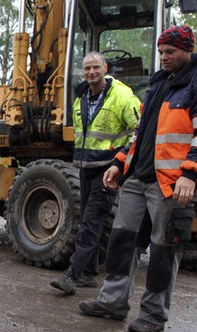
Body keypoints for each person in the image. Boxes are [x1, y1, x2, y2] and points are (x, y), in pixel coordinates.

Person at [78, 26, 197, 332]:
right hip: (138, 177)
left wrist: (190, 175)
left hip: (173, 184)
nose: (163, 57)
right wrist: (121, 163)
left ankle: (153, 313)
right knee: (123, 241)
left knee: (164, 249)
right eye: (161, 51)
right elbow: (141, 133)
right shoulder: (160, 83)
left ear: (188, 51)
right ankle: (113, 302)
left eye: (170, 52)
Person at [50, 52, 141, 295]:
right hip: (85, 169)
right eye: (87, 68)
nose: (91, 72)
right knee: (87, 222)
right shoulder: (81, 97)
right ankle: (88, 273)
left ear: (105, 68)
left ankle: (73, 275)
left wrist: (120, 165)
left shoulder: (122, 96)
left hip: (107, 169)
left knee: (90, 223)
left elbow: (138, 133)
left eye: (95, 68)